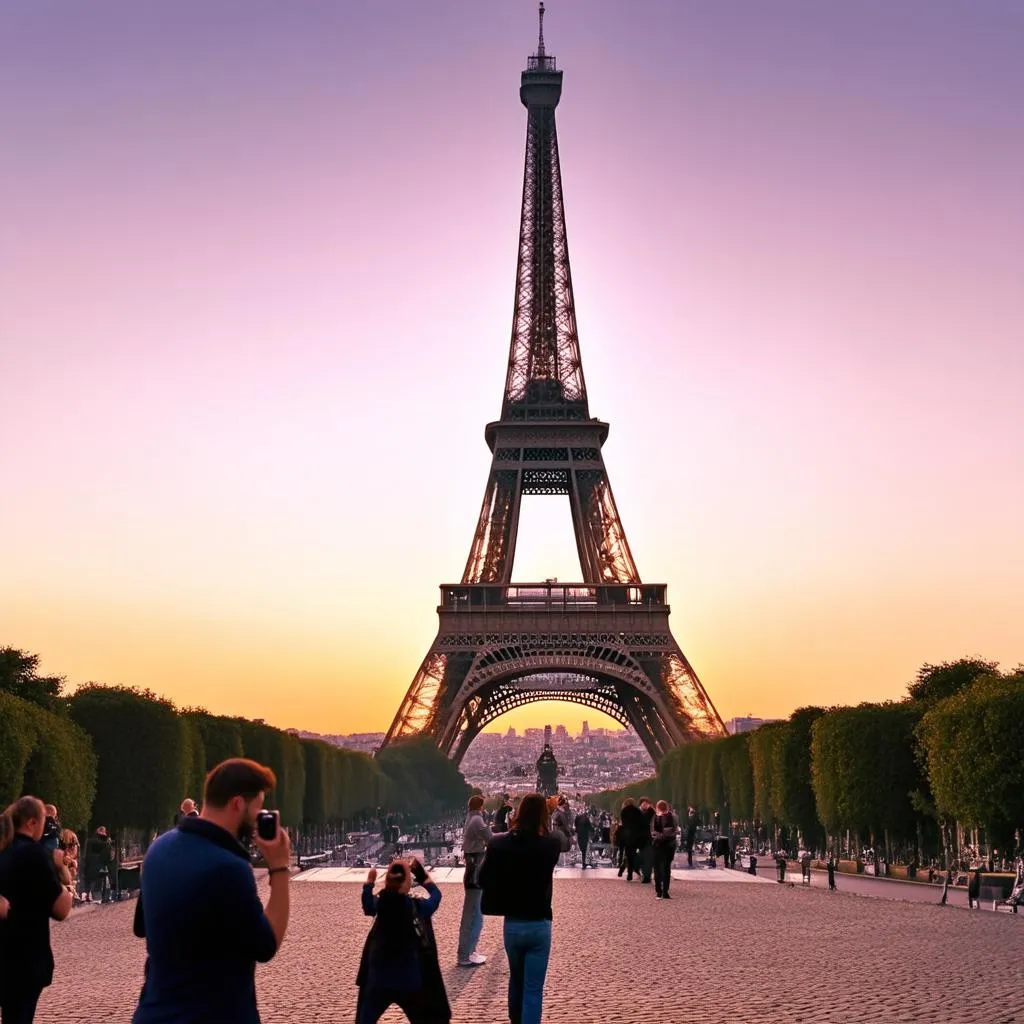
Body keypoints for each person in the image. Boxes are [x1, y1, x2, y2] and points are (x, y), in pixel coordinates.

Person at [132, 758, 292, 1024]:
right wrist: (279, 868)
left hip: (155, 1011)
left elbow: (141, 927)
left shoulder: (158, 848)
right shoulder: (228, 867)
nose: (258, 819)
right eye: (258, 809)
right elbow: (266, 945)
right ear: (238, 804)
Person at [480, 793, 561, 1024]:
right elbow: (560, 837)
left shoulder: (498, 843)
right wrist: (552, 814)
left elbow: (482, 878)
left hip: (513, 924)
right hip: (540, 923)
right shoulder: (550, 845)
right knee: (533, 989)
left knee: (516, 981)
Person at [0, 796, 74, 1023]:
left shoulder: (5, 848)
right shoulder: (33, 854)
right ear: (32, 823)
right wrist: (64, 877)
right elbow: (61, 910)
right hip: (24, 956)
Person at [356, 859, 449, 1023]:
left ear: (387, 880)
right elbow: (436, 896)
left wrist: (369, 882)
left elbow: (367, 905)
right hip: (409, 978)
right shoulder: (417, 907)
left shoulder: (380, 903)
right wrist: (423, 877)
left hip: (379, 978)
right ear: (407, 883)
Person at [456, 795, 491, 967]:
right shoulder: (477, 820)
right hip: (475, 873)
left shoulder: (471, 818)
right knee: (472, 914)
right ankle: (464, 954)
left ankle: (469, 950)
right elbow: (490, 838)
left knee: (476, 913)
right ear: (481, 806)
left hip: (473, 871)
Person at [651, 800, 678, 900]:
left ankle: (659, 892)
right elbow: (673, 831)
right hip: (669, 846)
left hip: (659, 845)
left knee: (658, 869)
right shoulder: (672, 817)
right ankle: (665, 892)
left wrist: (657, 836)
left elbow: (655, 832)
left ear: (658, 808)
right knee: (666, 869)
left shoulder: (656, 818)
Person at [82, 825, 113, 903]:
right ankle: (105, 897)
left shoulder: (90, 840)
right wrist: (108, 843)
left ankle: (88, 895)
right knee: (104, 880)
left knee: (90, 880)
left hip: (90, 863)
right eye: (103, 832)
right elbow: (107, 852)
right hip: (100, 863)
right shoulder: (103, 842)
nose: (105, 833)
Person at [618, 799, 642, 880]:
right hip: (635, 835)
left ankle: (627, 872)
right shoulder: (637, 811)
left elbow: (623, 823)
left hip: (626, 835)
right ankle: (630, 873)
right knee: (632, 854)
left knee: (627, 854)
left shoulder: (623, 811)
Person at [636, 798, 655, 884]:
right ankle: (645, 874)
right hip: (641, 838)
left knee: (647, 857)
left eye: (647, 804)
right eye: (645, 803)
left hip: (647, 839)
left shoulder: (647, 813)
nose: (646, 805)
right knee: (643, 857)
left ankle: (646, 876)